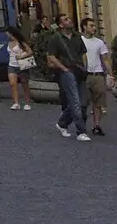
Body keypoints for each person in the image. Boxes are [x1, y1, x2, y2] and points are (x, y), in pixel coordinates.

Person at [46, 13, 92, 141]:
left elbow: (83, 53)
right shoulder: (56, 38)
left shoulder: (77, 36)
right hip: (67, 72)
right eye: (66, 20)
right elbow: (51, 56)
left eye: (69, 18)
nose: (70, 20)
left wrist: (85, 67)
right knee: (75, 101)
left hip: (80, 70)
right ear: (61, 25)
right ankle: (81, 131)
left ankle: (62, 123)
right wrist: (63, 68)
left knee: (84, 102)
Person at [80, 17, 114, 137]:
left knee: (98, 102)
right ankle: (81, 125)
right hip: (85, 75)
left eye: (94, 26)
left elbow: (105, 59)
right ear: (84, 27)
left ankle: (96, 125)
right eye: (91, 25)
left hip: (98, 74)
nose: (94, 28)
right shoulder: (80, 40)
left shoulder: (99, 42)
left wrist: (110, 74)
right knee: (83, 102)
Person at [6, 26, 36, 111]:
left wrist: (21, 56)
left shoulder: (21, 42)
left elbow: (30, 52)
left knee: (24, 83)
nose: (6, 35)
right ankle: (16, 103)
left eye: (7, 33)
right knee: (13, 84)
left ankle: (27, 103)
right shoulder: (9, 42)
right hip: (11, 65)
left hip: (22, 65)